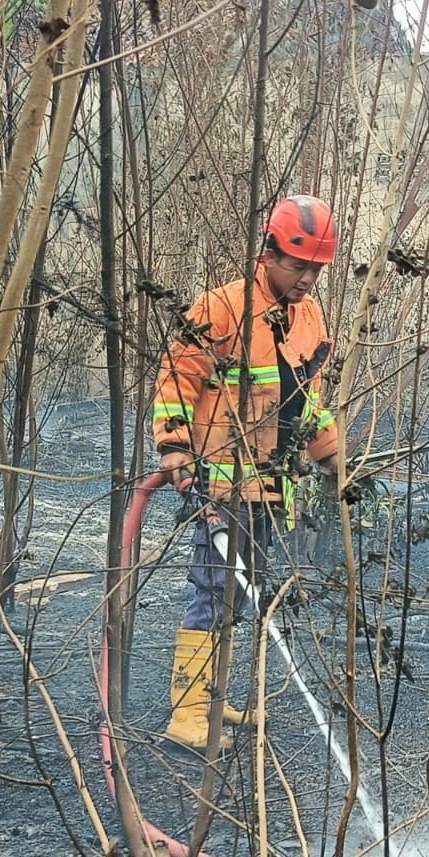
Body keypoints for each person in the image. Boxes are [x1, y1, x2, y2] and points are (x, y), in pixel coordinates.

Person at [150, 195, 342, 751]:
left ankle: (213, 698)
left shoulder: (306, 317)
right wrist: (175, 448)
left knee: (243, 591)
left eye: (316, 268)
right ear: (269, 253)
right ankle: (187, 712)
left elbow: (307, 397)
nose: (307, 278)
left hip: (270, 485)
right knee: (214, 588)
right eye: (298, 265)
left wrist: (332, 456)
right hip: (221, 481)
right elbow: (174, 379)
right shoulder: (222, 308)